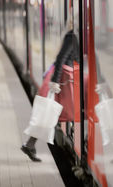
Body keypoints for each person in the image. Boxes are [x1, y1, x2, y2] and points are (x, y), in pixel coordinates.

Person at [21, 25, 79, 162]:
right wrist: (54, 82)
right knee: (50, 112)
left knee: (51, 113)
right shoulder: (72, 36)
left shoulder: (75, 35)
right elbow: (61, 58)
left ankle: (30, 144)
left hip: (66, 78)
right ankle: (29, 144)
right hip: (63, 79)